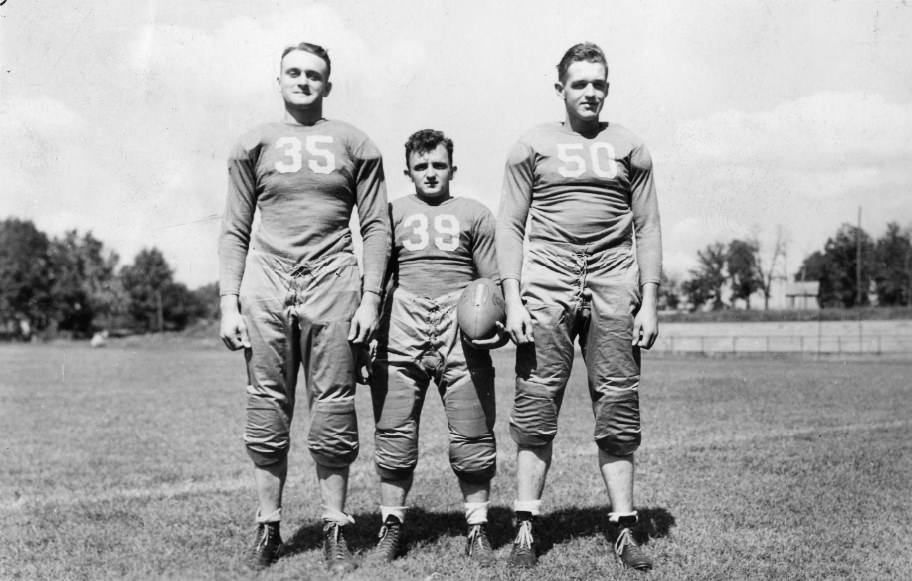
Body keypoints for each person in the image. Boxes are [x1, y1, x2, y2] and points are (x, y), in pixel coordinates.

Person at [218, 42, 391, 573]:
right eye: (293, 72)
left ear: (328, 85)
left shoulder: (355, 143)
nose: (303, 80)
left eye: (313, 74)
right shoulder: (253, 143)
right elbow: (234, 227)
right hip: (267, 284)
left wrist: (371, 298)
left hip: (334, 280)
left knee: (335, 407)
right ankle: (268, 526)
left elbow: (377, 226)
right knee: (267, 408)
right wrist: (228, 301)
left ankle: (334, 526)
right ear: (278, 80)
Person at [496, 42, 662, 572]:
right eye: (580, 83)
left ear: (607, 87)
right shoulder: (532, 144)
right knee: (537, 400)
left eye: (598, 83)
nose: (590, 92)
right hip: (548, 273)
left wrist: (651, 302)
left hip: (615, 275)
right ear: (560, 88)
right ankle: (525, 523)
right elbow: (510, 225)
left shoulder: (629, 145)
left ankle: (623, 526)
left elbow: (648, 227)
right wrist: (511, 295)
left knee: (617, 400)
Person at [368, 129, 504, 566]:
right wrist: (369, 334)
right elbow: (377, 279)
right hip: (403, 322)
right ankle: (391, 525)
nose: (430, 173)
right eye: (421, 166)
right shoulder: (389, 213)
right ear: (408, 170)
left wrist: (497, 325)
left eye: (438, 165)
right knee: (393, 432)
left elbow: (493, 283)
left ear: (452, 169)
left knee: (473, 434)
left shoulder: (475, 214)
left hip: (459, 327)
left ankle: (477, 526)